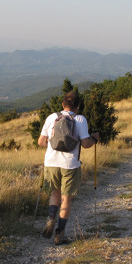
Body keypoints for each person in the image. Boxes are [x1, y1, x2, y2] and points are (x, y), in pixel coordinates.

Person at [38, 91, 100, 245]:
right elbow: (85, 144)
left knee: (55, 194)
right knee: (66, 199)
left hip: (51, 161)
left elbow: (41, 141)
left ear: (62, 104)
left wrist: (53, 145)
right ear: (78, 106)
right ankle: (60, 234)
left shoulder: (52, 117)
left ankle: (51, 219)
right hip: (70, 164)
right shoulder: (80, 119)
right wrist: (94, 139)